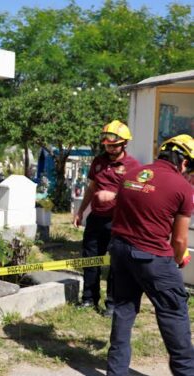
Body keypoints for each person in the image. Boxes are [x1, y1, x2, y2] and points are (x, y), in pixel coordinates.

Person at [107, 134, 194, 375]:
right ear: (184, 162)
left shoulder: (132, 175)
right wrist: (179, 257)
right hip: (153, 259)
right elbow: (179, 240)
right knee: (174, 314)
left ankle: (116, 371)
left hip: (121, 251)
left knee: (123, 312)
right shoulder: (183, 188)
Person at [73, 120, 140, 316]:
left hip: (119, 222)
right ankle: (89, 299)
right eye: (107, 145)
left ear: (124, 143)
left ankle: (112, 304)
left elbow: (136, 194)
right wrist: (81, 211)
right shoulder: (98, 162)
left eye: (114, 145)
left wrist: (115, 196)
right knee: (90, 260)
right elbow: (91, 189)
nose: (110, 148)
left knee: (116, 264)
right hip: (96, 219)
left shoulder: (133, 166)